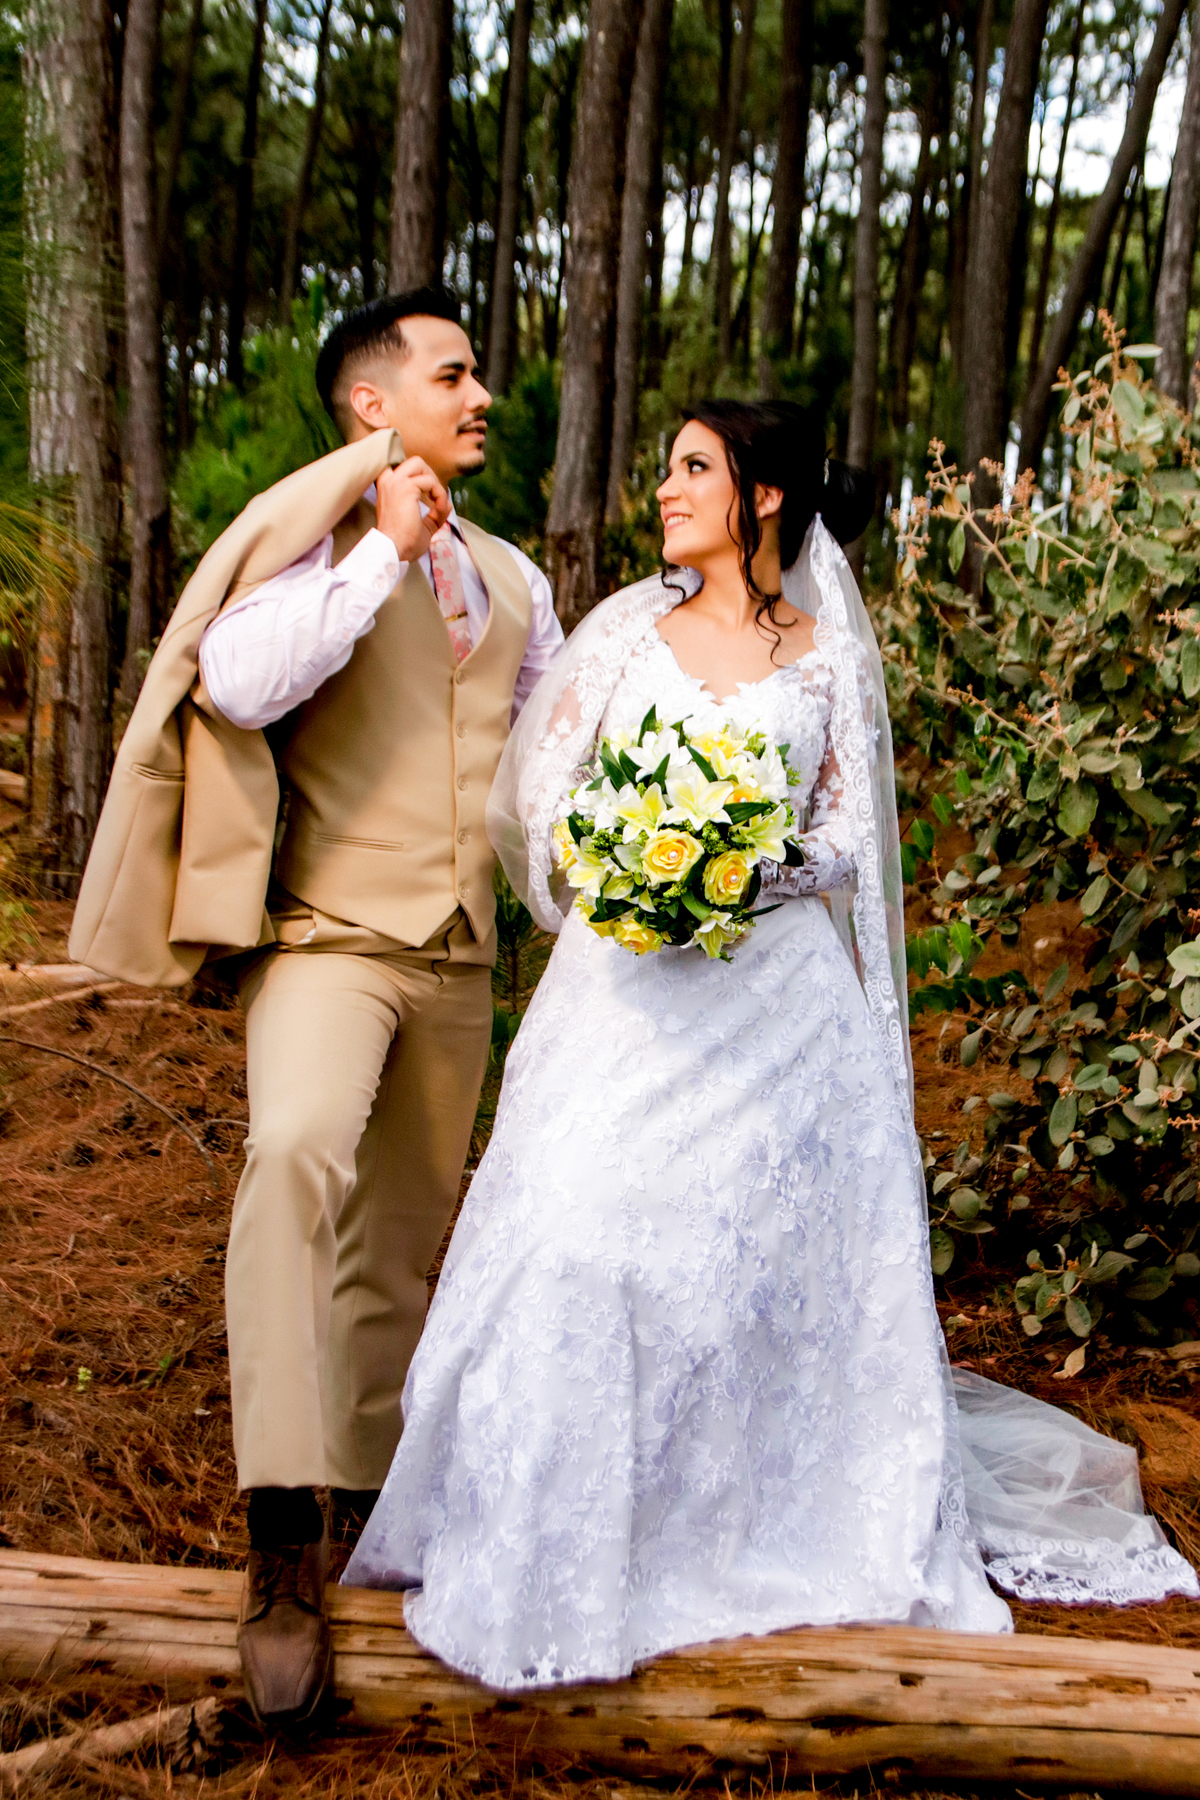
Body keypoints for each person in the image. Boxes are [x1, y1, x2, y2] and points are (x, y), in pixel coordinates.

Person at [343, 399, 1198, 1689]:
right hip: (624, 997)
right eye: (669, 465)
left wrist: (749, 863)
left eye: (695, 468)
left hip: (776, 1013)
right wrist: (630, 866)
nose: (668, 487)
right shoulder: (628, 632)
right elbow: (545, 804)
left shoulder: (829, 659)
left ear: (760, 498)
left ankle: (752, 1519)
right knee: (579, 1242)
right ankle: (547, 1533)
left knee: (729, 1262)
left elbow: (853, 842)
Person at [68, 287, 564, 1724]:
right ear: (375, 408)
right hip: (328, 940)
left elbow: (533, 774)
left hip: (462, 954)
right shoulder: (311, 551)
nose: (482, 398)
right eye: (456, 376)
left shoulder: (518, 581)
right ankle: (279, 1541)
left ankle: (360, 1522)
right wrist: (376, 562)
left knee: (396, 1255)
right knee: (293, 1160)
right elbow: (233, 679)